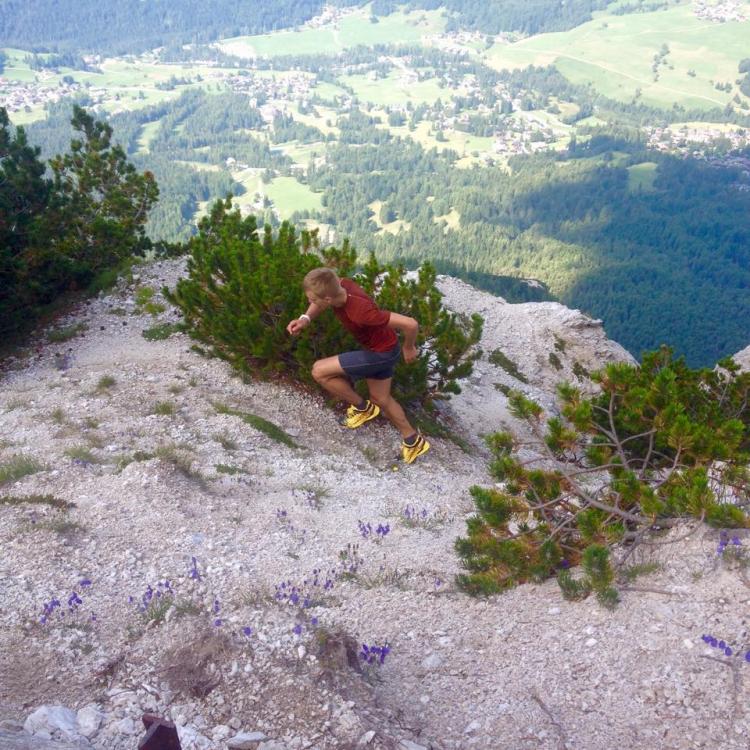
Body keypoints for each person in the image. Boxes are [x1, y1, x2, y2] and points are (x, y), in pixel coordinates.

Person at [286, 267, 430, 464]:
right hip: (385, 349)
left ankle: (362, 407)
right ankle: (413, 440)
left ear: (328, 299)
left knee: (319, 371)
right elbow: (319, 301)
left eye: (313, 300)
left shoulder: (362, 312)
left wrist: (409, 347)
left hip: (381, 353)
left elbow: (410, 324)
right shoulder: (341, 284)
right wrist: (305, 318)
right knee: (381, 398)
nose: (310, 303)